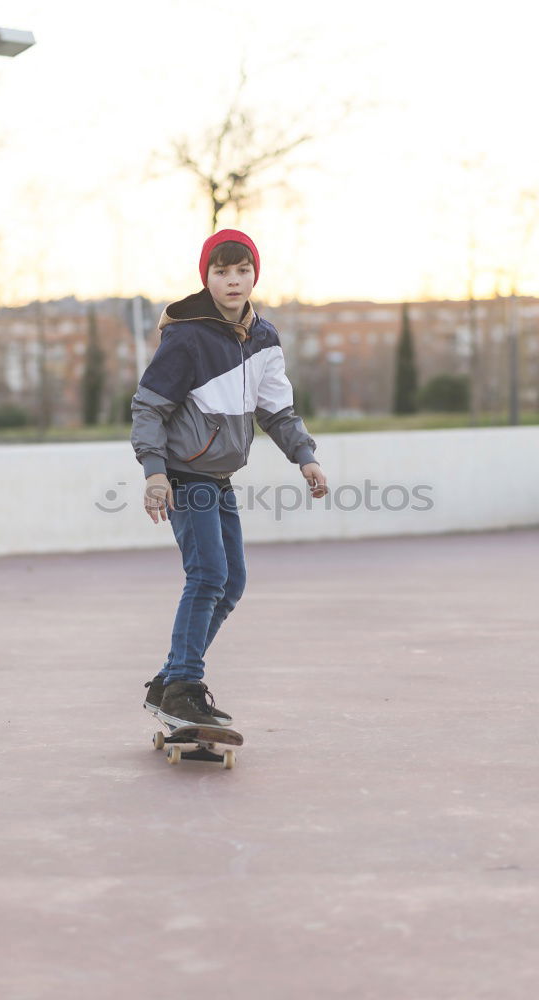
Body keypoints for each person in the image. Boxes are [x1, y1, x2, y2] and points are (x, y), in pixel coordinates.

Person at [131, 228, 328, 729]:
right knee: (208, 576)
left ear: (255, 274)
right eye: (222, 271)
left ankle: (169, 681)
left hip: (217, 478)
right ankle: (184, 687)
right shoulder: (187, 336)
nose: (234, 280)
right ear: (208, 277)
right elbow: (149, 408)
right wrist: (155, 475)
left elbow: (278, 409)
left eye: (243, 270)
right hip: (182, 475)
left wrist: (304, 456)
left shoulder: (264, 338)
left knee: (232, 581)